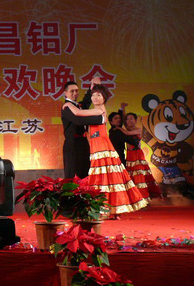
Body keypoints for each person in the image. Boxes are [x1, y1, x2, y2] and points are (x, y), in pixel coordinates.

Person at [63, 85, 148, 217]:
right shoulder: (95, 109)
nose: (95, 98)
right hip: (96, 146)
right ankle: (107, 209)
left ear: (104, 98)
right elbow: (83, 110)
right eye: (93, 95)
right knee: (104, 178)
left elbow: (79, 114)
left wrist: (68, 105)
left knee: (104, 178)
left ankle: (106, 208)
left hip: (101, 147)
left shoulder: (98, 110)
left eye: (98, 95)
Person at [61, 78, 104, 178]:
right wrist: (101, 119)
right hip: (73, 144)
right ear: (65, 93)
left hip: (83, 142)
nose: (75, 93)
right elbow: (79, 120)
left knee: (85, 170)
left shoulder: (78, 105)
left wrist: (92, 86)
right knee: (74, 173)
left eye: (76, 91)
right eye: (72, 91)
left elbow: (87, 101)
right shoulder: (66, 107)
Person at [121, 108, 161, 201]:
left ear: (135, 120)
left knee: (140, 176)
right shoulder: (126, 128)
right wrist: (123, 109)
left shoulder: (138, 130)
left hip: (137, 155)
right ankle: (134, 198)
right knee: (131, 176)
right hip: (130, 155)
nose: (129, 121)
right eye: (127, 119)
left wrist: (118, 128)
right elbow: (124, 123)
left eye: (131, 119)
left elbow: (127, 133)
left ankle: (143, 198)